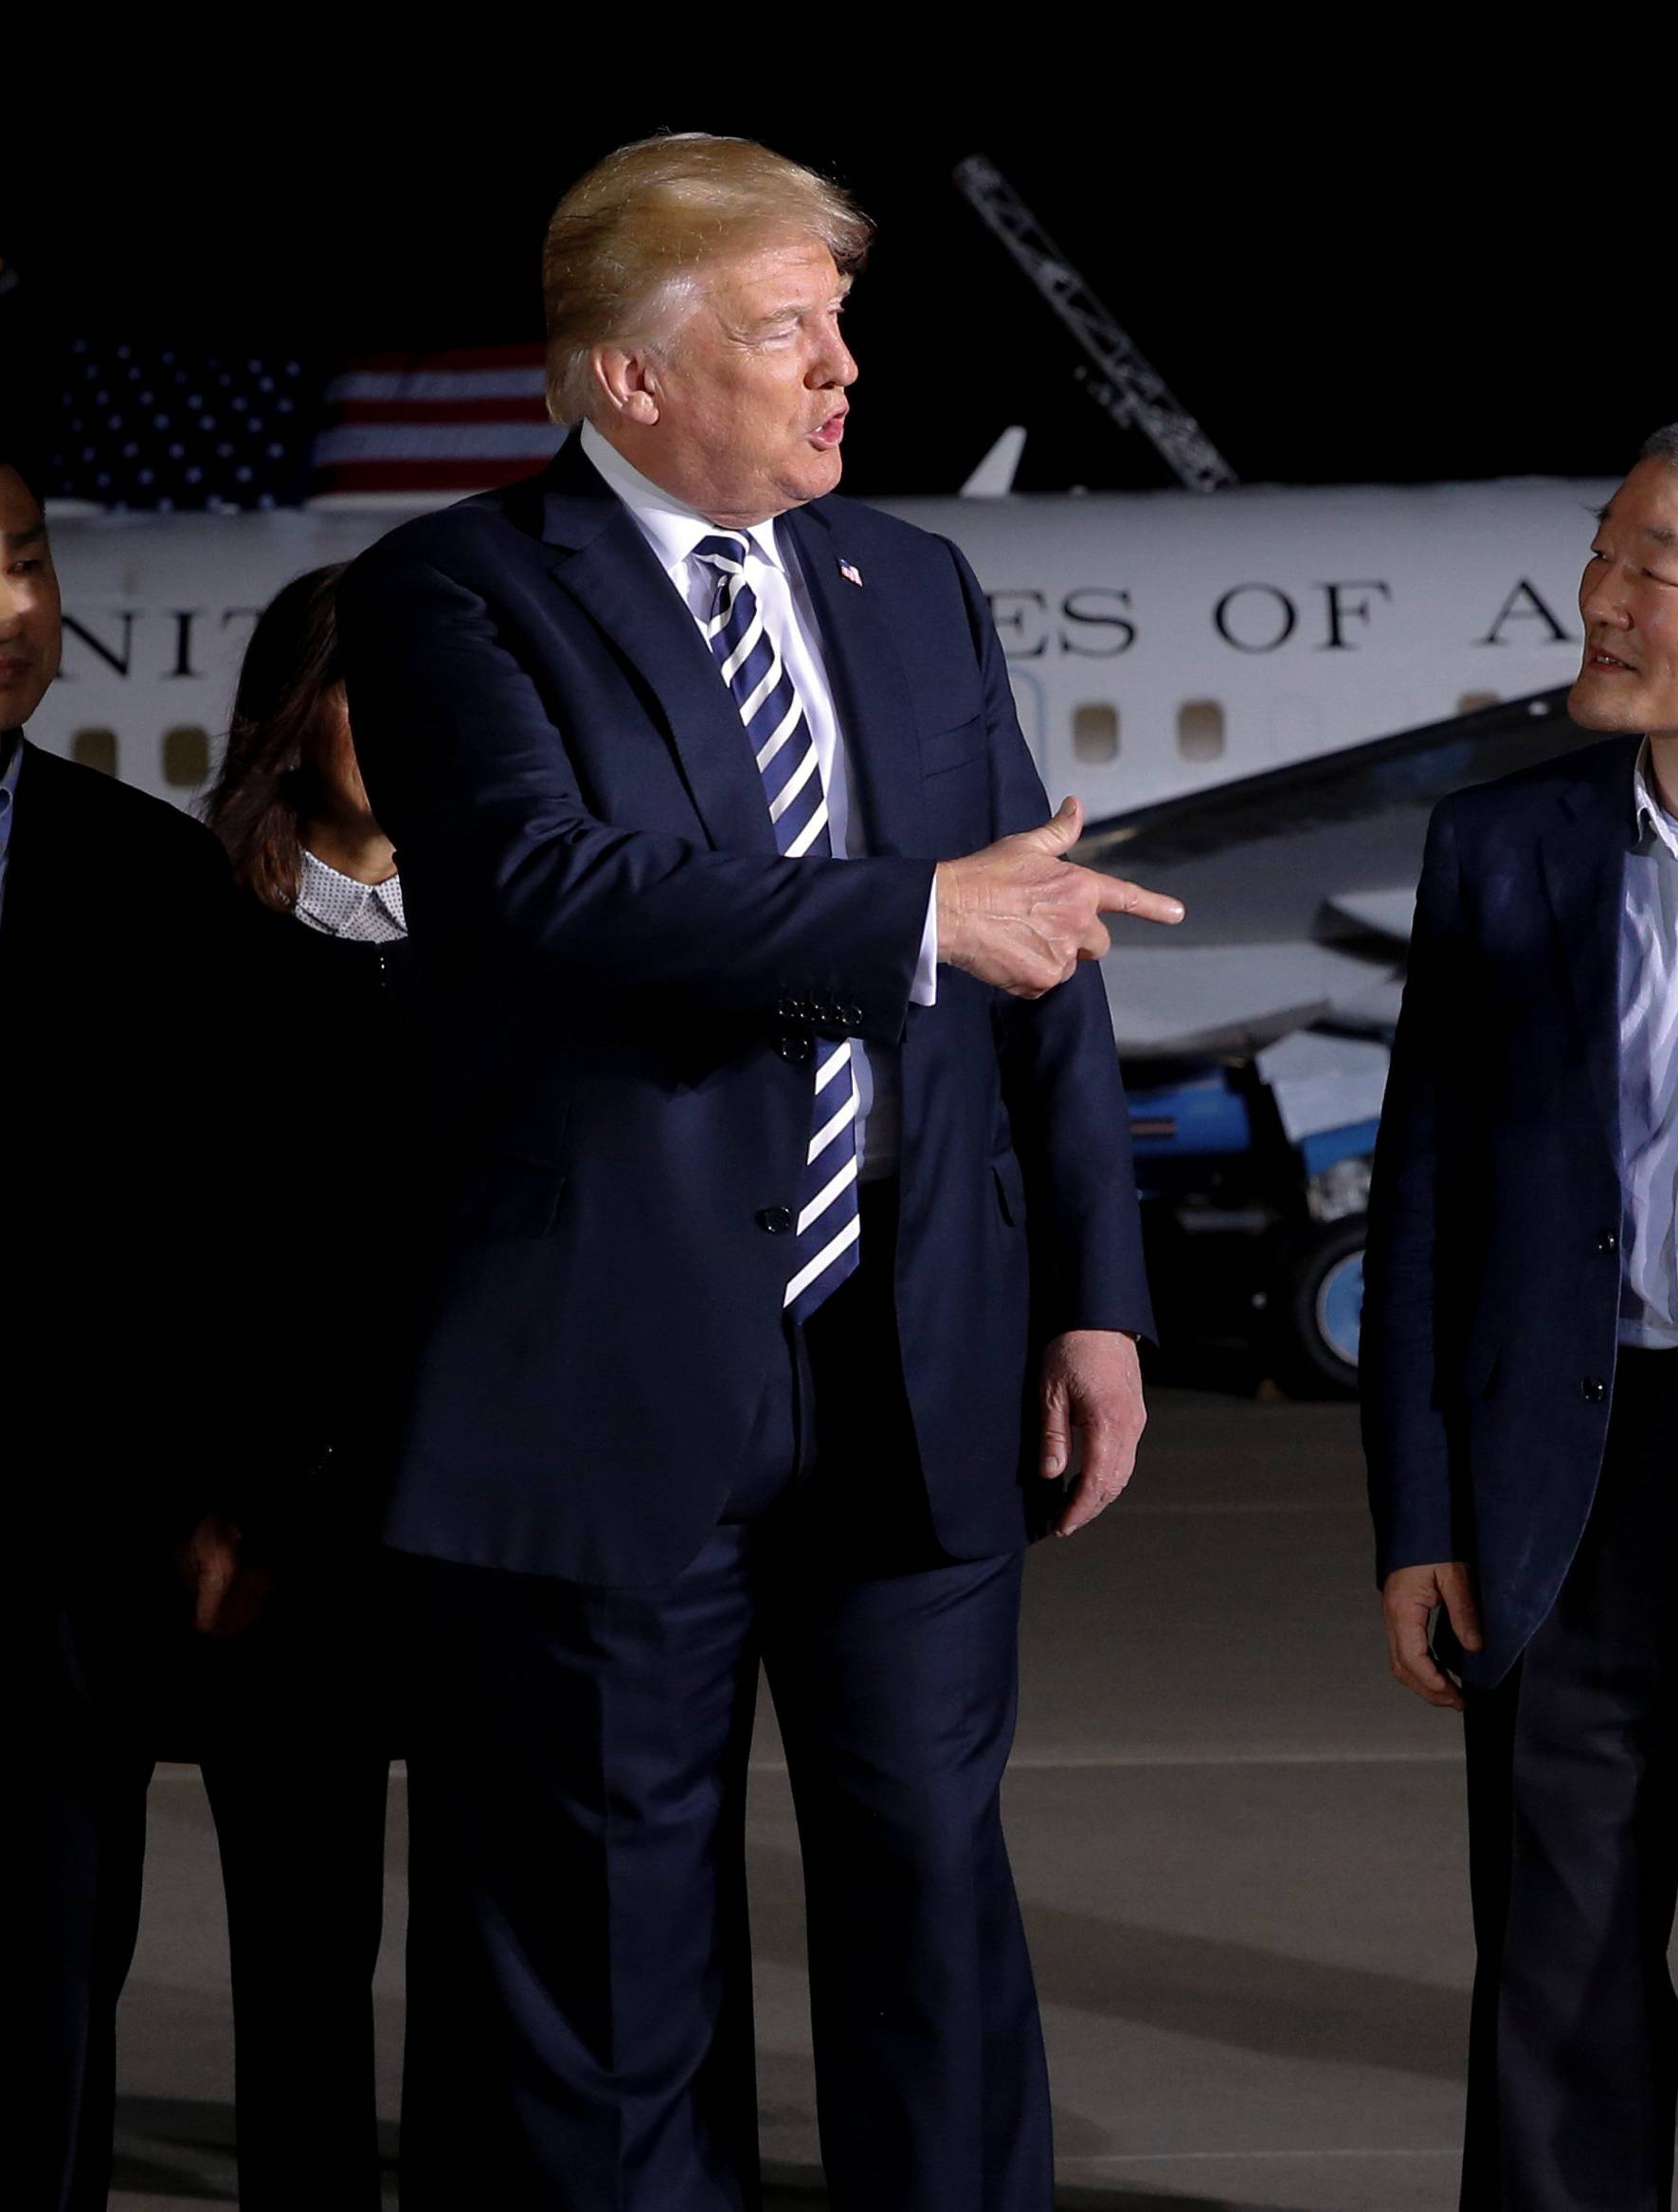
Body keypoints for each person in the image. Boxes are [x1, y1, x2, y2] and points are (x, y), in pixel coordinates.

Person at [335, 132, 1182, 2211]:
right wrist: (913, 920)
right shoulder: (454, 591)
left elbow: (1040, 953)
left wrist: (1097, 1292)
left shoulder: (916, 586)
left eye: (843, 325)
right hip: (608, 1374)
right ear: (635, 374)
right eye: (795, 330)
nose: (845, 374)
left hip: (917, 1362)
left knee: (931, 1904)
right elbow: (549, 890)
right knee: (613, 1955)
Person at [1363, 411, 1678, 2206]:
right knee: (1553, 1992)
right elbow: (1429, 1209)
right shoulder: (1506, 848)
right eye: (1602, 554)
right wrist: (1422, 1515)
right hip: (1580, 1485)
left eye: (1654, 564)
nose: (1599, 597)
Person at [5, 446, 263, 2209]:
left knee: (40, 2011)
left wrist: (228, 1493)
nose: (15, 612)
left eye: (27, 559)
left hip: (62, 1571)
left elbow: (229, 1229)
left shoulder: (147, 880)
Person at [176, 561, 419, 2211]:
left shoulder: (515, 927)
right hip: (284, 1522)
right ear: (290, 712)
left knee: (501, 1935)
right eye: (365, 687)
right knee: (304, 1933)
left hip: (483, 1515)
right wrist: (221, 1498)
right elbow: (176, 1261)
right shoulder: (198, 938)